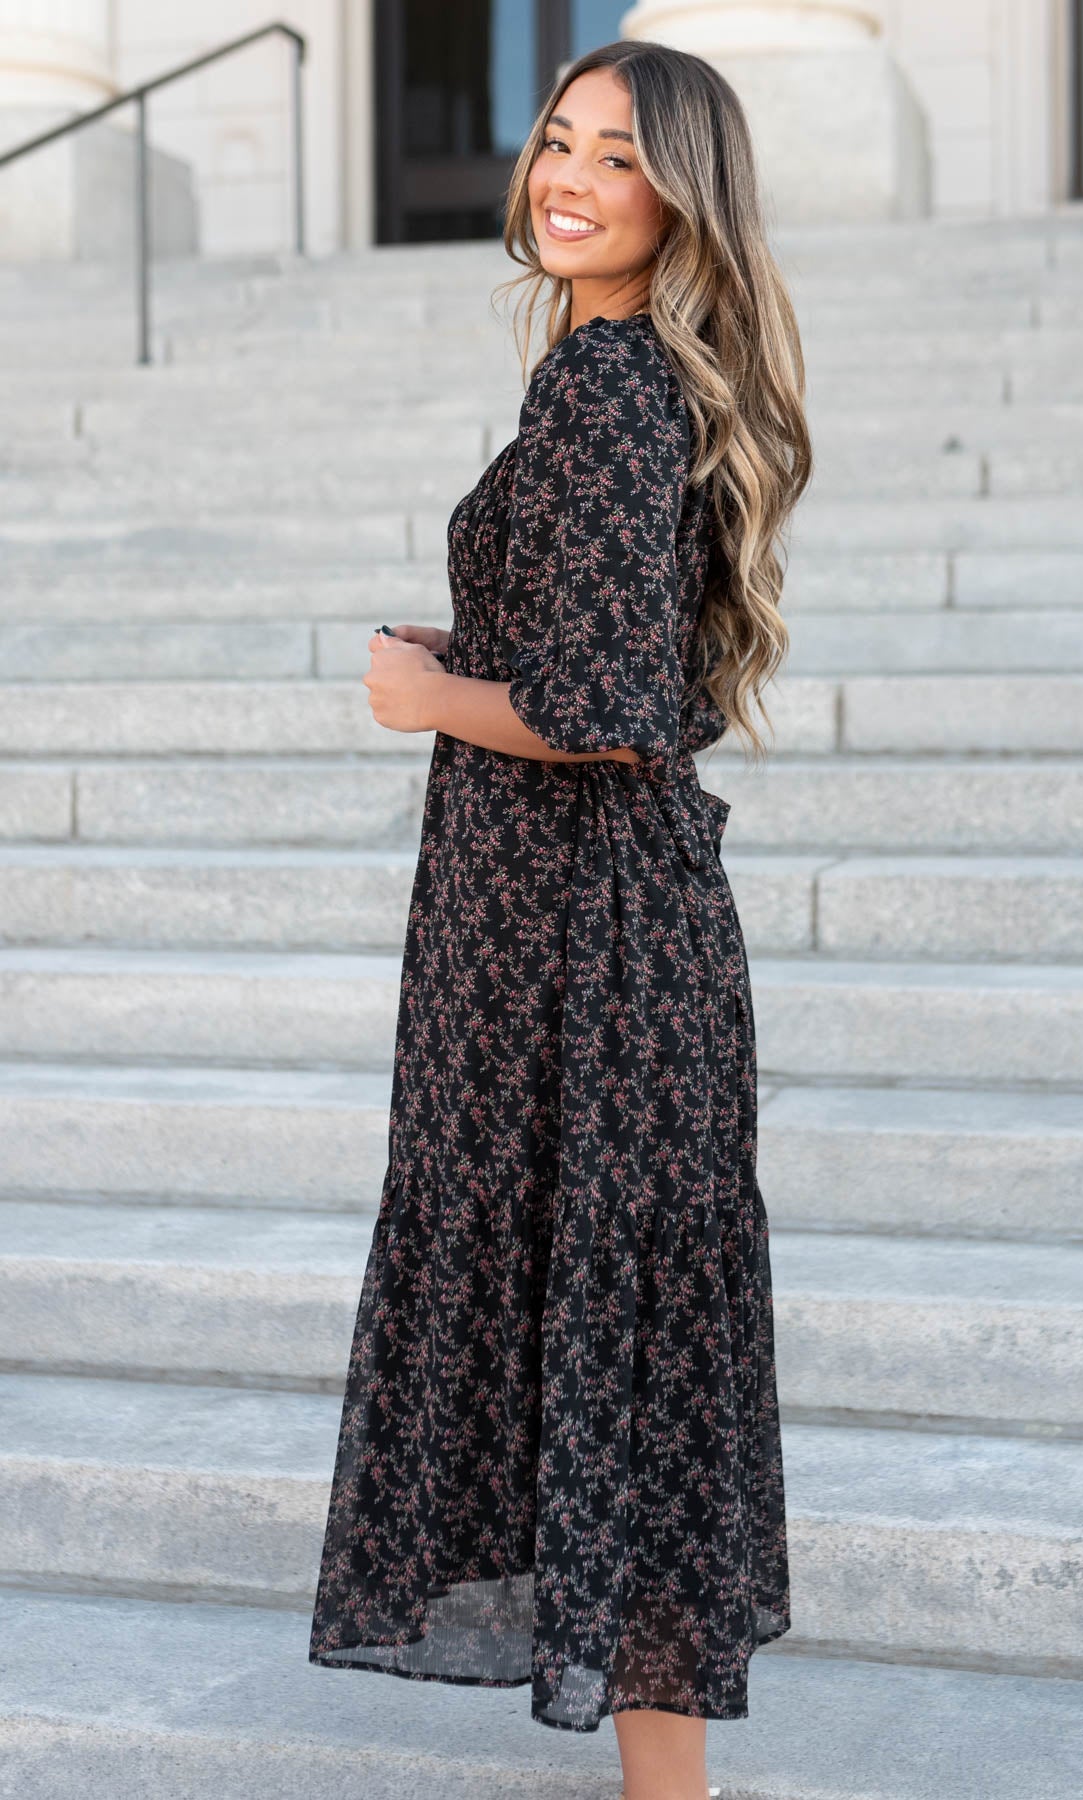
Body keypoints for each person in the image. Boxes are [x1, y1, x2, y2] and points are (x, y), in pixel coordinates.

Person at [308, 38, 811, 1800]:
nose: (565, 173)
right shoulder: (625, 372)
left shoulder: (607, 382)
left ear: (684, 193)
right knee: (626, 1374)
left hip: (578, 954)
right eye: (553, 138)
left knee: (613, 1357)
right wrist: (463, 653)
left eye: (617, 150)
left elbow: (606, 706)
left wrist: (419, 697)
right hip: (593, 936)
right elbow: (626, 668)